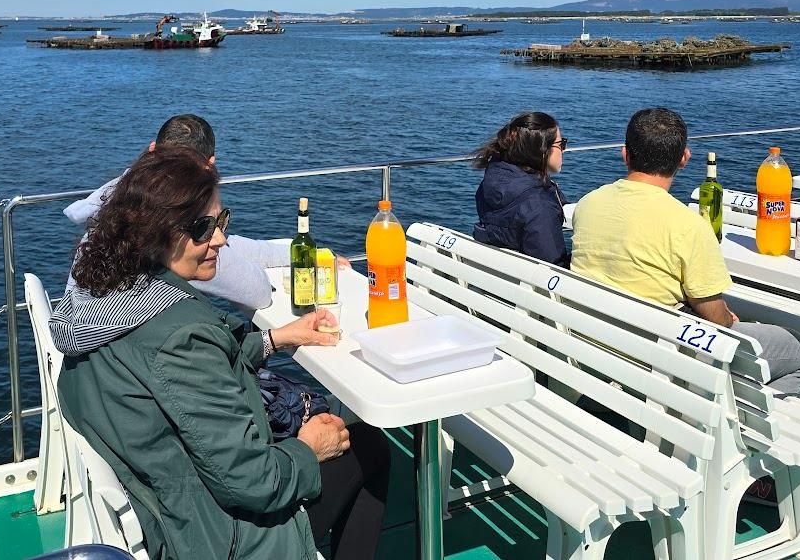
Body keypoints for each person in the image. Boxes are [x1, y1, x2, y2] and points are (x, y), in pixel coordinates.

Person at [53, 147, 390, 560]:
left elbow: (178, 376)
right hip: (223, 539)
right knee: (368, 448)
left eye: (221, 221)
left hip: (170, 502)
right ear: (155, 232)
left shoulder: (109, 302)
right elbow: (253, 482)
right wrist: (308, 448)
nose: (221, 239)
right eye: (202, 228)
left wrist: (276, 339)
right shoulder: (178, 334)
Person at [571, 107, 800, 396]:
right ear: (684, 158)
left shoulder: (587, 204)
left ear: (625, 154)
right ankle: (750, 426)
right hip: (662, 360)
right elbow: (715, 316)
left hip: (595, 347)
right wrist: (725, 317)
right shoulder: (688, 225)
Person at [64, 114, 290, 309]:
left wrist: (292, 253)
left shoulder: (121, 202)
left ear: (152, 150)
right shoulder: (167, 228)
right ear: (208, 165)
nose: (218, 238)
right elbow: (256, 291)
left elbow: (225, 246)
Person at [471, 111, 570, 266]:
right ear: (543, 150)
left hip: (499, 278)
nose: (564, 149)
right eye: (561, 144)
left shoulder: (490, 183)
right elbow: (552, 266)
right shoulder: (539, 204)